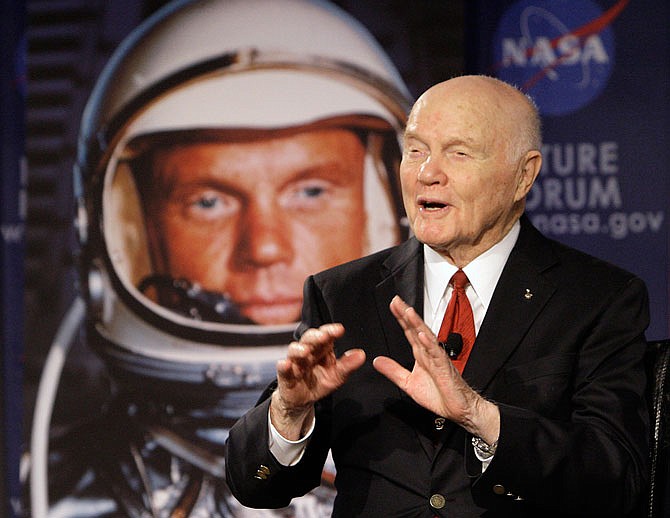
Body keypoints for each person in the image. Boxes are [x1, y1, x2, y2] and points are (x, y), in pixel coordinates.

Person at [26, 0, 411, 516]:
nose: (265, 247)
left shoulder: (478, 462)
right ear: (131, 233)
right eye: (209, 202)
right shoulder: (52, 495)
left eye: (312, 191)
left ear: (386, 214)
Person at [225, 75, 650, 517]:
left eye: (459, 153)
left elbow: (617, 479)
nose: (428, 173)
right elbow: (256, 488)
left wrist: (480, 417)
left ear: (524, 175)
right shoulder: (342, 295)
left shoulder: (597, 299)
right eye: (416, 150)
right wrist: (290, 413)